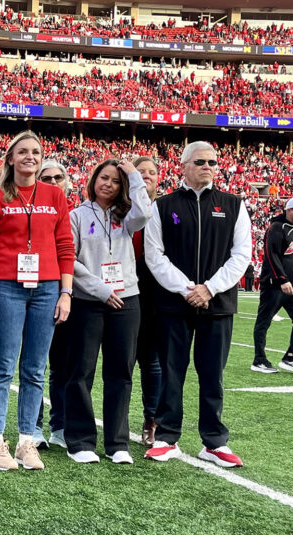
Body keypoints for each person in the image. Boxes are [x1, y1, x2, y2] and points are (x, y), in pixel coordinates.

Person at [144, 141, 251, 468]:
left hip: (217, 306)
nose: (209, 167)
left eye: (213, 162)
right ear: (184, 165)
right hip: (175, 306)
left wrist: (210, 288)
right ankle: (166, 436)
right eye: (201, 161)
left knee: (212, 375)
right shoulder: (162, 206)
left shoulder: (234, 205)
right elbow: (154, 255)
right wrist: (188, 289)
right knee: (171, 372)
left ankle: (214, 441)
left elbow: (241, 255)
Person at [0, 130, 75, 472]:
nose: (30, 157)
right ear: (11, 159)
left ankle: (26, 442)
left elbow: (65, 245)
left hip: (47, 288)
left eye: (35, 151)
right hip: (6, 287)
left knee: (35, 368)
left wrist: (66, 292)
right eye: (23, 152)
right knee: (2, 365)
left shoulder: (55, 196)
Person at [64, 158, 152, 464]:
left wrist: (134, 175)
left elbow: (145, 212)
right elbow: (70, 260)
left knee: (120, 373)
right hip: (89, 302)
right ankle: (81, 441)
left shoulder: (126, 216)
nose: (108, 184)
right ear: (93, 179)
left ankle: (118, 443)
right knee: (81, 372)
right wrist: (101, 290)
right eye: (104, 178)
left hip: (127, 301)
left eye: (115, 181)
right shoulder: (76, 215)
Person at [34, 159, 75, 449]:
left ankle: (59, 425)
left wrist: (66, 291)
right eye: (45, 178)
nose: (52, 182)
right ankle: (33, 425)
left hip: (69, 295)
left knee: (62, 365)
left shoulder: (81, 213)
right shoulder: (31, 210)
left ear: (67, 181)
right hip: (34, 294)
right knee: (33, 365)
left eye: (57, 177)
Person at [251, 196, 293, 375]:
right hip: (274, 284)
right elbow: (271, 255)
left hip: (291, 284)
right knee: (264, 322)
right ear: (290, 210)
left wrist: (290, 280)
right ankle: (259, 359)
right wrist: (282, 279)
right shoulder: (276, 227)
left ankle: (290, 356)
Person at [131, 156, 162, 446]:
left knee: (152, 362)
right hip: (120, 291)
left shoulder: (164, 210)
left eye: (151, 172)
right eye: (140, 172)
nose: (146, 176)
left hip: (154, 296)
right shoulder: (119, 210)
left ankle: (152, 419)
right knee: (120, 363)